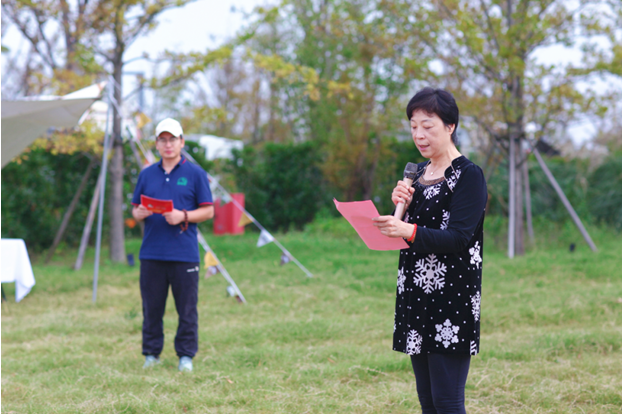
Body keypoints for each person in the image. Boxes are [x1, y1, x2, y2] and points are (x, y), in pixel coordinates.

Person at [373, 87, 488, 414]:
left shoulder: (468, 176)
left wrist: (407, 230)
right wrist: (400, 211)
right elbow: (412, 233)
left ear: (450, 127)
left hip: (451, 300)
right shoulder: (419, 174)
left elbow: (457, 238)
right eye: (413, 126)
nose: (419, 135)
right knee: (428, 401)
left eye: (428, 126)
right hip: (416, 297)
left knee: (448, 401)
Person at [131, 118, 214, 372]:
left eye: (173, 139)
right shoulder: (147, 174)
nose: (168, 145)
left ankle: (185, 356)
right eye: (163, 140)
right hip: (152, 253)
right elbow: (135, 210)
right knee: (152, 308)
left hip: (184, 254)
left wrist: (184, 216)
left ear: (182, 142)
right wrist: (140, 213)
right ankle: (151, 355)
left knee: (187, 309)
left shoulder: (196, 174)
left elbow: (208, 211)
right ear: (156, 144)